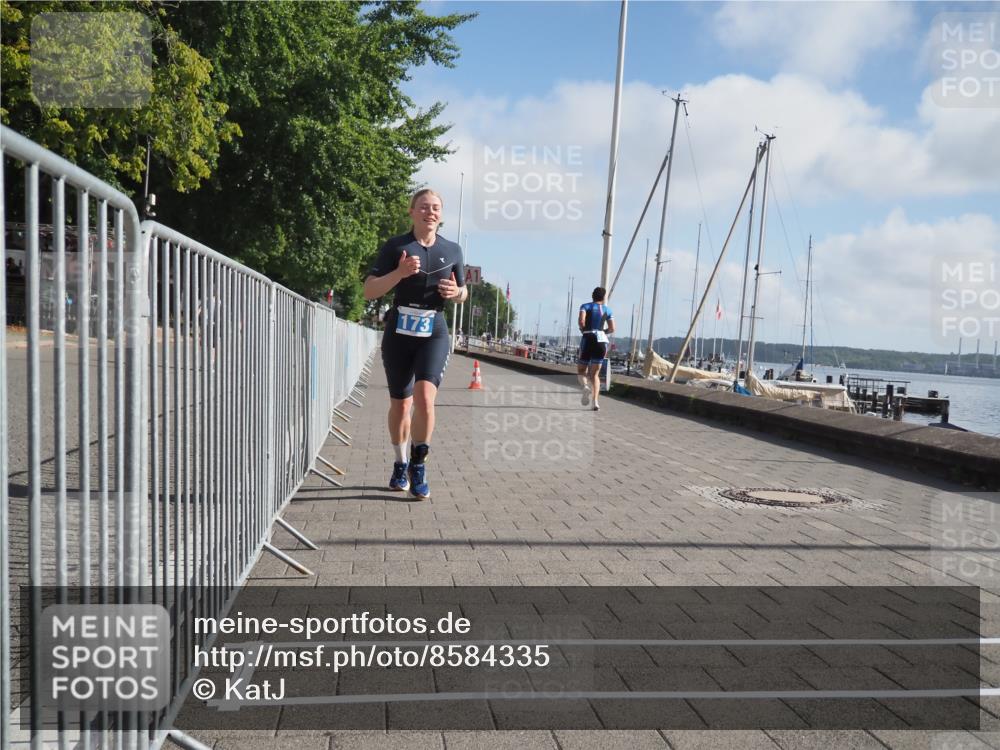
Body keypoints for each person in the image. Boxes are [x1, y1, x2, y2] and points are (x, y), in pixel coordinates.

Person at [363, 189, 467, 500]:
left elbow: (464, 291)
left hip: (434, 330)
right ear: (412, 212)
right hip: (399, 332)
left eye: (436, 207)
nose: (430, 212)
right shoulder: (397, 246)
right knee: (401, 404)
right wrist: (399, 272)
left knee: (424, 398)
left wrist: (455, 292)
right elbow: (369, 291)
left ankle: (418, 466)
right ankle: (400, 462)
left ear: (441, 214)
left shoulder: (453, 250)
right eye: (424, 207)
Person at [577, 286, 615, 411]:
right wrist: (602, 331)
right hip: (601, 341)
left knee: (582, 370)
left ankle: (585, 387)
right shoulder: (608, 310)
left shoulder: (585, 306)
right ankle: (595, 402)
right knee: (595, 375)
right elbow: (612, 329)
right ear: (603, 297)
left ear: (592, 295)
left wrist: (584, 330)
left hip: (588, 338)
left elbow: (581, 322)